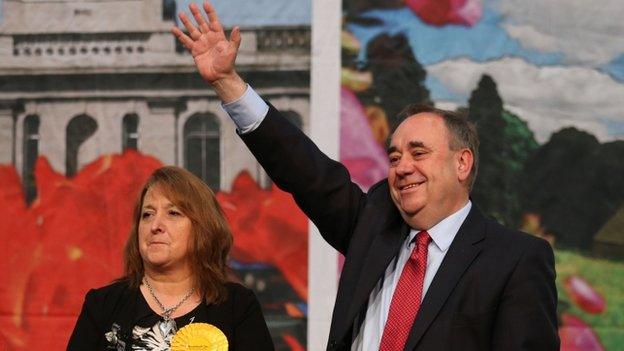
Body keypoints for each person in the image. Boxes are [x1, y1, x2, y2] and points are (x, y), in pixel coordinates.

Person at [172, 2, 559, 350]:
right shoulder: (373, 227)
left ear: (462, 163)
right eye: (394, 155)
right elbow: (305, 171)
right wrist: (228, 85)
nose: (402, 166)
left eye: (418, 152)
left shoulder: (516, 259)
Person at [67, 166, 274, 350]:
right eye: (147, 214)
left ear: (203, 228)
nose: (154, 225)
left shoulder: (237, 306)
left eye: (173, 213)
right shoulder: (103, 304)